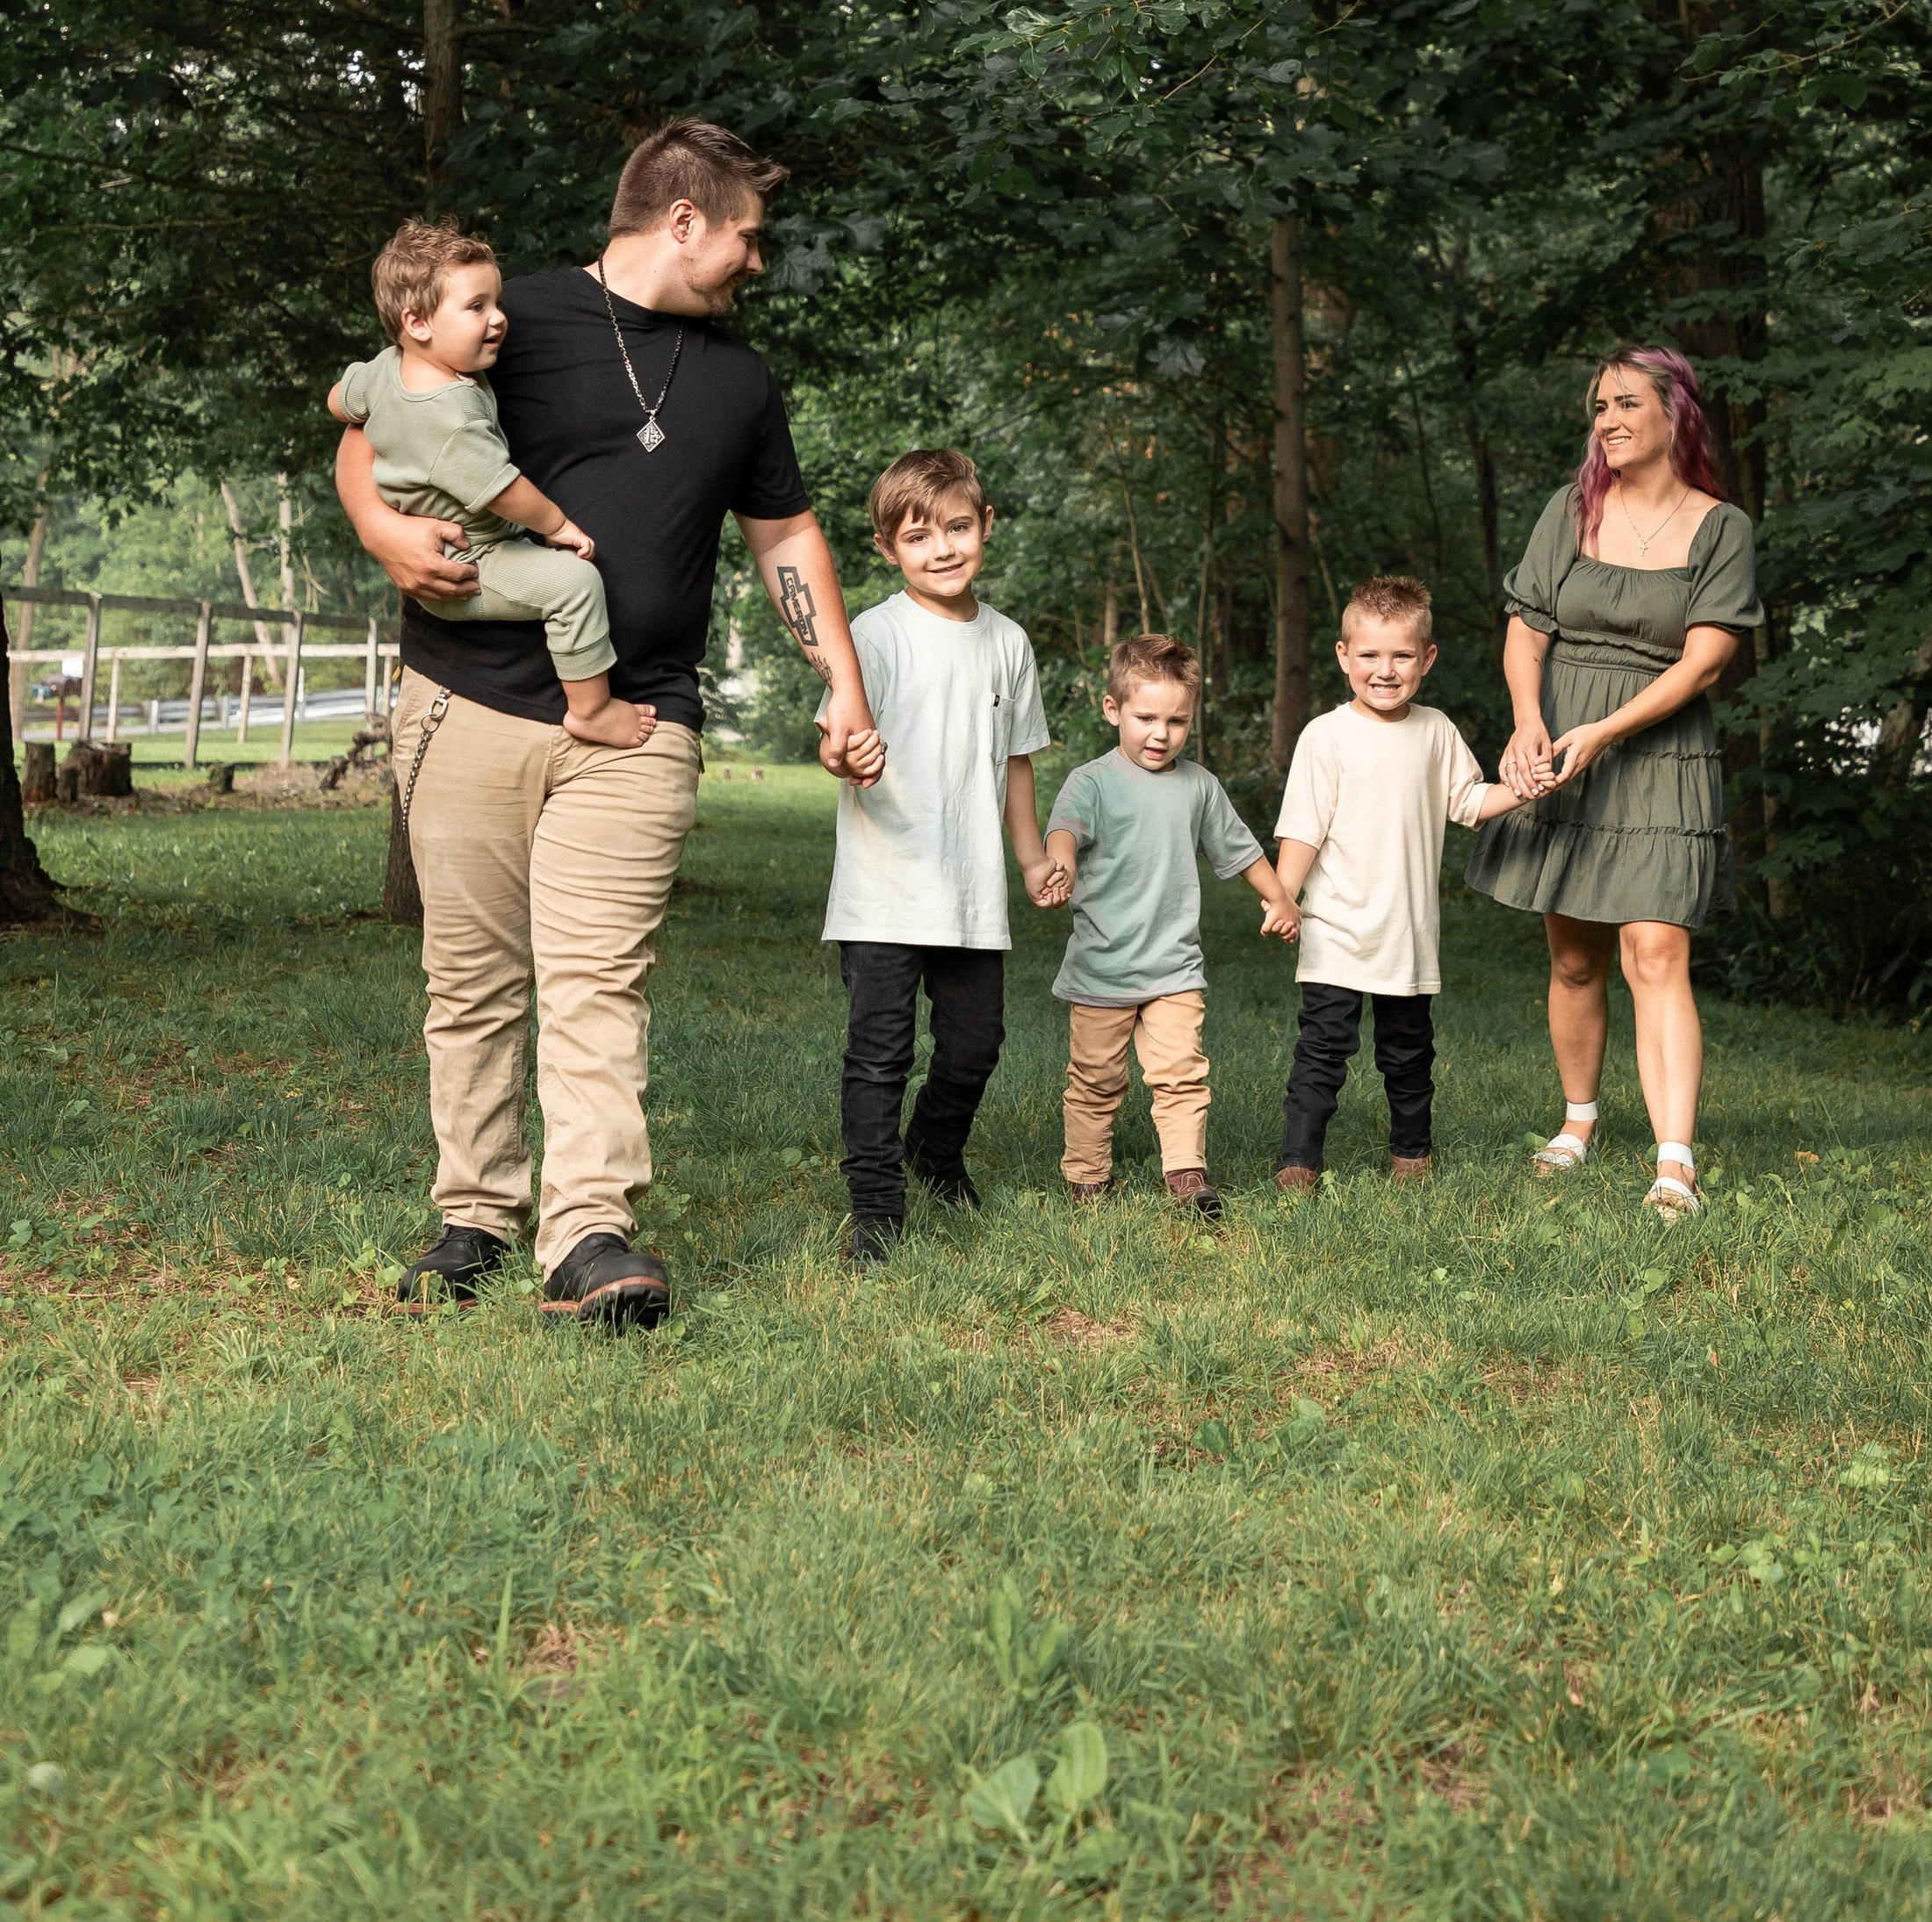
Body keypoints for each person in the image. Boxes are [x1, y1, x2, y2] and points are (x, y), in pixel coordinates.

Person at [335, 119, 883, 1331]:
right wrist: (382, 535)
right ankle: (474, 1213)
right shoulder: (507, 317)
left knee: (598, 978)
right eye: (748, 237)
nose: (757, 262)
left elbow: (786, 535)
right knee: (470, 978)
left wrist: (839, 680)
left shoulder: (738, 380)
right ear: (685, 221)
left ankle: (589, 1235)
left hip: (638, 719)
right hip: (465, 697)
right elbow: (372, 433)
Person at [1467, 344, 1763, 1216]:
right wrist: (1531, 720)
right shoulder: (1571, 509)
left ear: (1679, 415)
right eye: (1598, 407)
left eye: (1626, 403)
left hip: (1656, 750)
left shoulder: (1722, 528)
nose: (1607, 421)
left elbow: (1706, 662)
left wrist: (1607, 730)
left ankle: (1674, 1164)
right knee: (1571, 954)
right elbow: (1528, 626)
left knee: (1657, 949)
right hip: (1562, 739)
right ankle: (1577, 1122)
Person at [819, 448, 1050, 1263]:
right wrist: (847, 757)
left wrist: (1028, 860)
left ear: (986, 526)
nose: (942, 548)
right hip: (883, 889)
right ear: (888, 548)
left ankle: (935, 1151)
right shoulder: (872, 637)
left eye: (958, 528)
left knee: (974, 1045)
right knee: (879, 1054)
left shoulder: (1009, 644)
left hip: (972, 890)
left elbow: (1017, 760)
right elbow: (835, 739)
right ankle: (878, 1207)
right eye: (919, 537)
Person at [328, 220, 658, 753]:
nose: (500, 319)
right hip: (469, 563)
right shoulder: (450, 417)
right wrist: (558, 526)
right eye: (476, 307)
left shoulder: (388, 369)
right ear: (417, 323)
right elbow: (504, 490)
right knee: (575, 586)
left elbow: (340, 400)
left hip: (461, 544)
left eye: (497, 302)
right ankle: (592, 710)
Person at [1039, 631, 1299, 1224]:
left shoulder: (1199, 787)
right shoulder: (1092, 781)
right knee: (1096, 1082)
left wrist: (1281, 898)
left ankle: (1186, 1173)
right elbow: (1064, 831)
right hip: (1102, 967)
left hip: (1174, 968)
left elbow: (1242, 851)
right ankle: (1086, 1177)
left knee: (1182, 1074)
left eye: (1177, 721)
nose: (1161, 734)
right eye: (1146, 717)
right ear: (1114, 710)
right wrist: (1062, 865)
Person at [1269, 577, 1510, 1189]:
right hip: (1336, 930)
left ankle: (1412, 1157)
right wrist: (1284, 897)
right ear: (1343, 656)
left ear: (1426, 659)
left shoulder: (1435, 731)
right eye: (1369, 655)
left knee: (1408, 1055)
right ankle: (1299, 1161)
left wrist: (1525, 790)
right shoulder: (1326, 735)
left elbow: (1468, 799)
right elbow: (1303, 827)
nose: (1385, 670)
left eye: (1401, 655)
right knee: (1322, 1051)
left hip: (1406, 932)